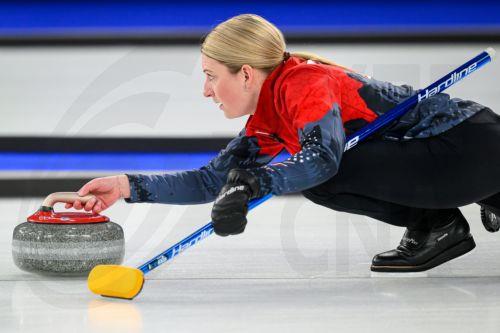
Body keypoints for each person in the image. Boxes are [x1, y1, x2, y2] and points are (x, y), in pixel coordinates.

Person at [66, 14, 500, 273]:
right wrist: (126, 186)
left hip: (465, 146)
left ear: (247, 74)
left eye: (211, 75)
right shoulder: (268, 119)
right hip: (460, 160)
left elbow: (323, 159)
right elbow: (209, 181)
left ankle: (436, 225)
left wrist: (254, 183)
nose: (206, 90)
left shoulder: (303, 83)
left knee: (323, 174)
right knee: (311, 172)